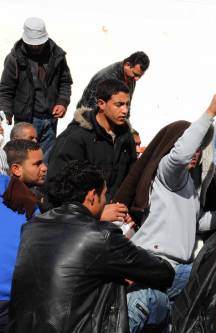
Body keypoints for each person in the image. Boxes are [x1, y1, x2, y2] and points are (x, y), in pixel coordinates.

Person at [7, 160, 175, 333]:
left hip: (25, 327)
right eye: (104, 196)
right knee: (155, 297)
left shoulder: (32, 226)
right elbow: (164, 273)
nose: (105, 202)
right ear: (92, 195)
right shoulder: (100, 234)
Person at [113, 92, 216, 332]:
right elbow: (179, 155)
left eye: (200, 148)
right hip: (157, 262)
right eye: (192, 146)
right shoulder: (169, 173)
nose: (195, 152)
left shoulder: (188, 183)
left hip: (174, 271)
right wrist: (210, 113)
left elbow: (201, 222)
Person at [47, 79, 136, 222]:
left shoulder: (126, 137)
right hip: (78, 224)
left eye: (127, 104)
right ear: (101, 104)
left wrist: (130, 210)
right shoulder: (75, 138)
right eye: (119, 105)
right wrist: (95, 214)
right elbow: (56, 187)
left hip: (117, 220)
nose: (125, 110)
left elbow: (132, 177)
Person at [0, 17, 73, 157]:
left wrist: (62, 102)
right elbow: (5, 91)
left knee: (44, 163)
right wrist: (5, 115)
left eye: (38, 44)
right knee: (23, 160)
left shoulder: (57, 56)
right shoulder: (13, 59)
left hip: (50, 120)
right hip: (25, 121)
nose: (36, 47)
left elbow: (65, 82)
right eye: (32, 44)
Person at [0, 140, 45, 332]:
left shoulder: (25, 200)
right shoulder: (25, 201)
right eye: (37, 164)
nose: (44, 168)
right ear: (15, 169)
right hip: (11, 299)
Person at [77, 51, 149, 114]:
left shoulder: (131, 78)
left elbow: (126, 104)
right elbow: (93, 108)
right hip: (87, 120)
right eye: (135, 74)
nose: (137, 79)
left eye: (140, 76)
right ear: (127, 65)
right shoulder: (106, 78)